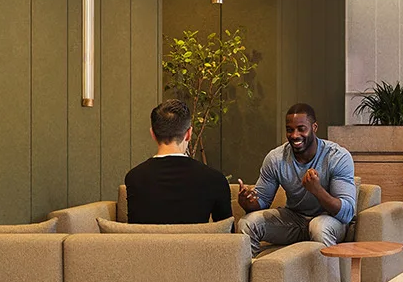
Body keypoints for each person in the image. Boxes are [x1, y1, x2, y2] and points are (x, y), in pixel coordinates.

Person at [236, 102, 356, 253]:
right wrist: (248, 203)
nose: (294, 135)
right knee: (248, 223)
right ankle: (252, 268)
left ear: (314, 128)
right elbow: (262, 201)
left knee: (319, 227)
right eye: (290, 130)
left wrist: (317, 190)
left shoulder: (337, 156)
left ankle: (327, 270)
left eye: (301, 129)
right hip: (295, 220)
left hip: (330, 220)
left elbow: (347, 213)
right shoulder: (276, 158)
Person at [122, 98, 232, 226]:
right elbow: (226, 232)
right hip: (197, 240)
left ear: (153, 134)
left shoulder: (134, 178)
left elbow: (134, 232)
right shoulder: (215, 179)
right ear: (188, 134)